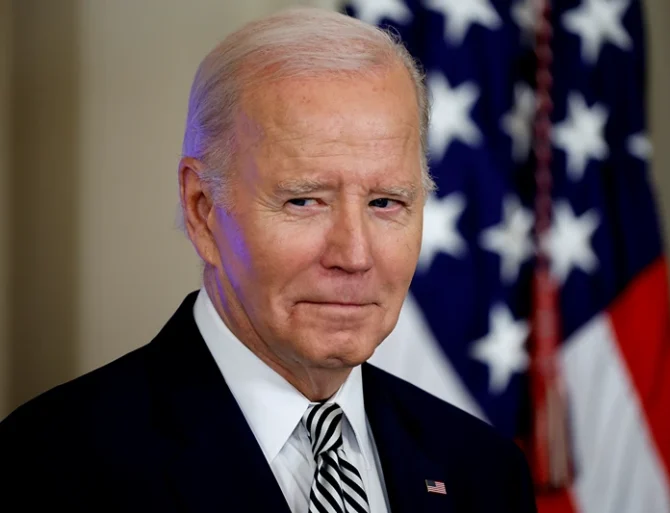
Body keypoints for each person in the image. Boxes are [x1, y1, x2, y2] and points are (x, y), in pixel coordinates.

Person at [0, 7, 537, 512]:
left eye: (385, 202)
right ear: (202, 208)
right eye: (304, 200)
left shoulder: (483, 472)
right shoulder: (48, 465)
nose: (353, 255)